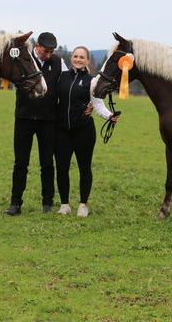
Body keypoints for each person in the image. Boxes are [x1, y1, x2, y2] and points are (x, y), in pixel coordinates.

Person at [5, 32, 68, 215]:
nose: (49, 55)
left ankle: (47, 203)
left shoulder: (58, 63)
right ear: (37, 46)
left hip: (48, 120)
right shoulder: (25, 60)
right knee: (20, 163)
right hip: (24, 118)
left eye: (51, 52)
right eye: (46, 51)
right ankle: (15, 203)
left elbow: (65, 87)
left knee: (47, 163)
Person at [54, 46, 119, 217]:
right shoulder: (62, 77)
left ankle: (83, 205)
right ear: (71, 59)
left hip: (83, 131)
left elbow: (97, 105)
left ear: (87, 61)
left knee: (84, 168)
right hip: (61, 130)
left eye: (82, 57)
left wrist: (109, 116)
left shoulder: (92, 81)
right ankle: (64, 204)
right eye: (75, 56)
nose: (78, 59)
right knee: (61, 168)